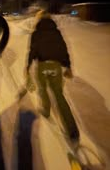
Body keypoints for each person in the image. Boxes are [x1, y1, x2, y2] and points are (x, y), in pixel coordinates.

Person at [26, 10, 79, 142]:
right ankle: (72, 130)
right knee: (59, 95)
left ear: (39, 19)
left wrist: (27, 67)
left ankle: (45, 110)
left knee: (43, 89)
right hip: (56, 67)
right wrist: (67, 66)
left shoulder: (36, 33)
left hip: (42, 66)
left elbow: (32, 51)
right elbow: (63, 49)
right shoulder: (57, 32)